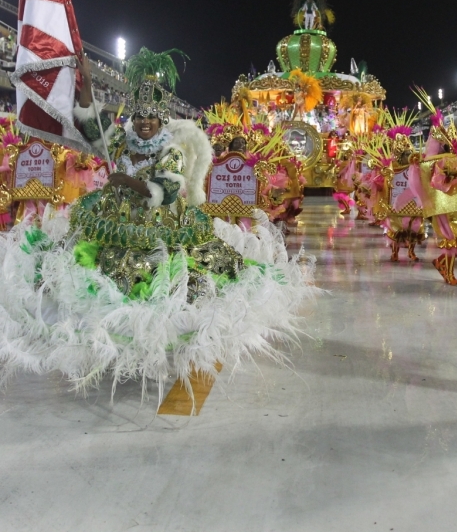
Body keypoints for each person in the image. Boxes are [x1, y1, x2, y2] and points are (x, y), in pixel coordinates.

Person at [0, 48, 315, 401]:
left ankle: (155, 347)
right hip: (112, 220)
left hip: (160, 226)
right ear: (132, 118)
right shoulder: (119, 140)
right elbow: (91, 127)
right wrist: (86, 84)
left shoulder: (171, 151)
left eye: (152, 117)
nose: (145, 123)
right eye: (139, 116)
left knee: (161, 289)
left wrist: (125, 182)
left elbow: (163, 192)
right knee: (81, 281)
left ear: (162, 119)